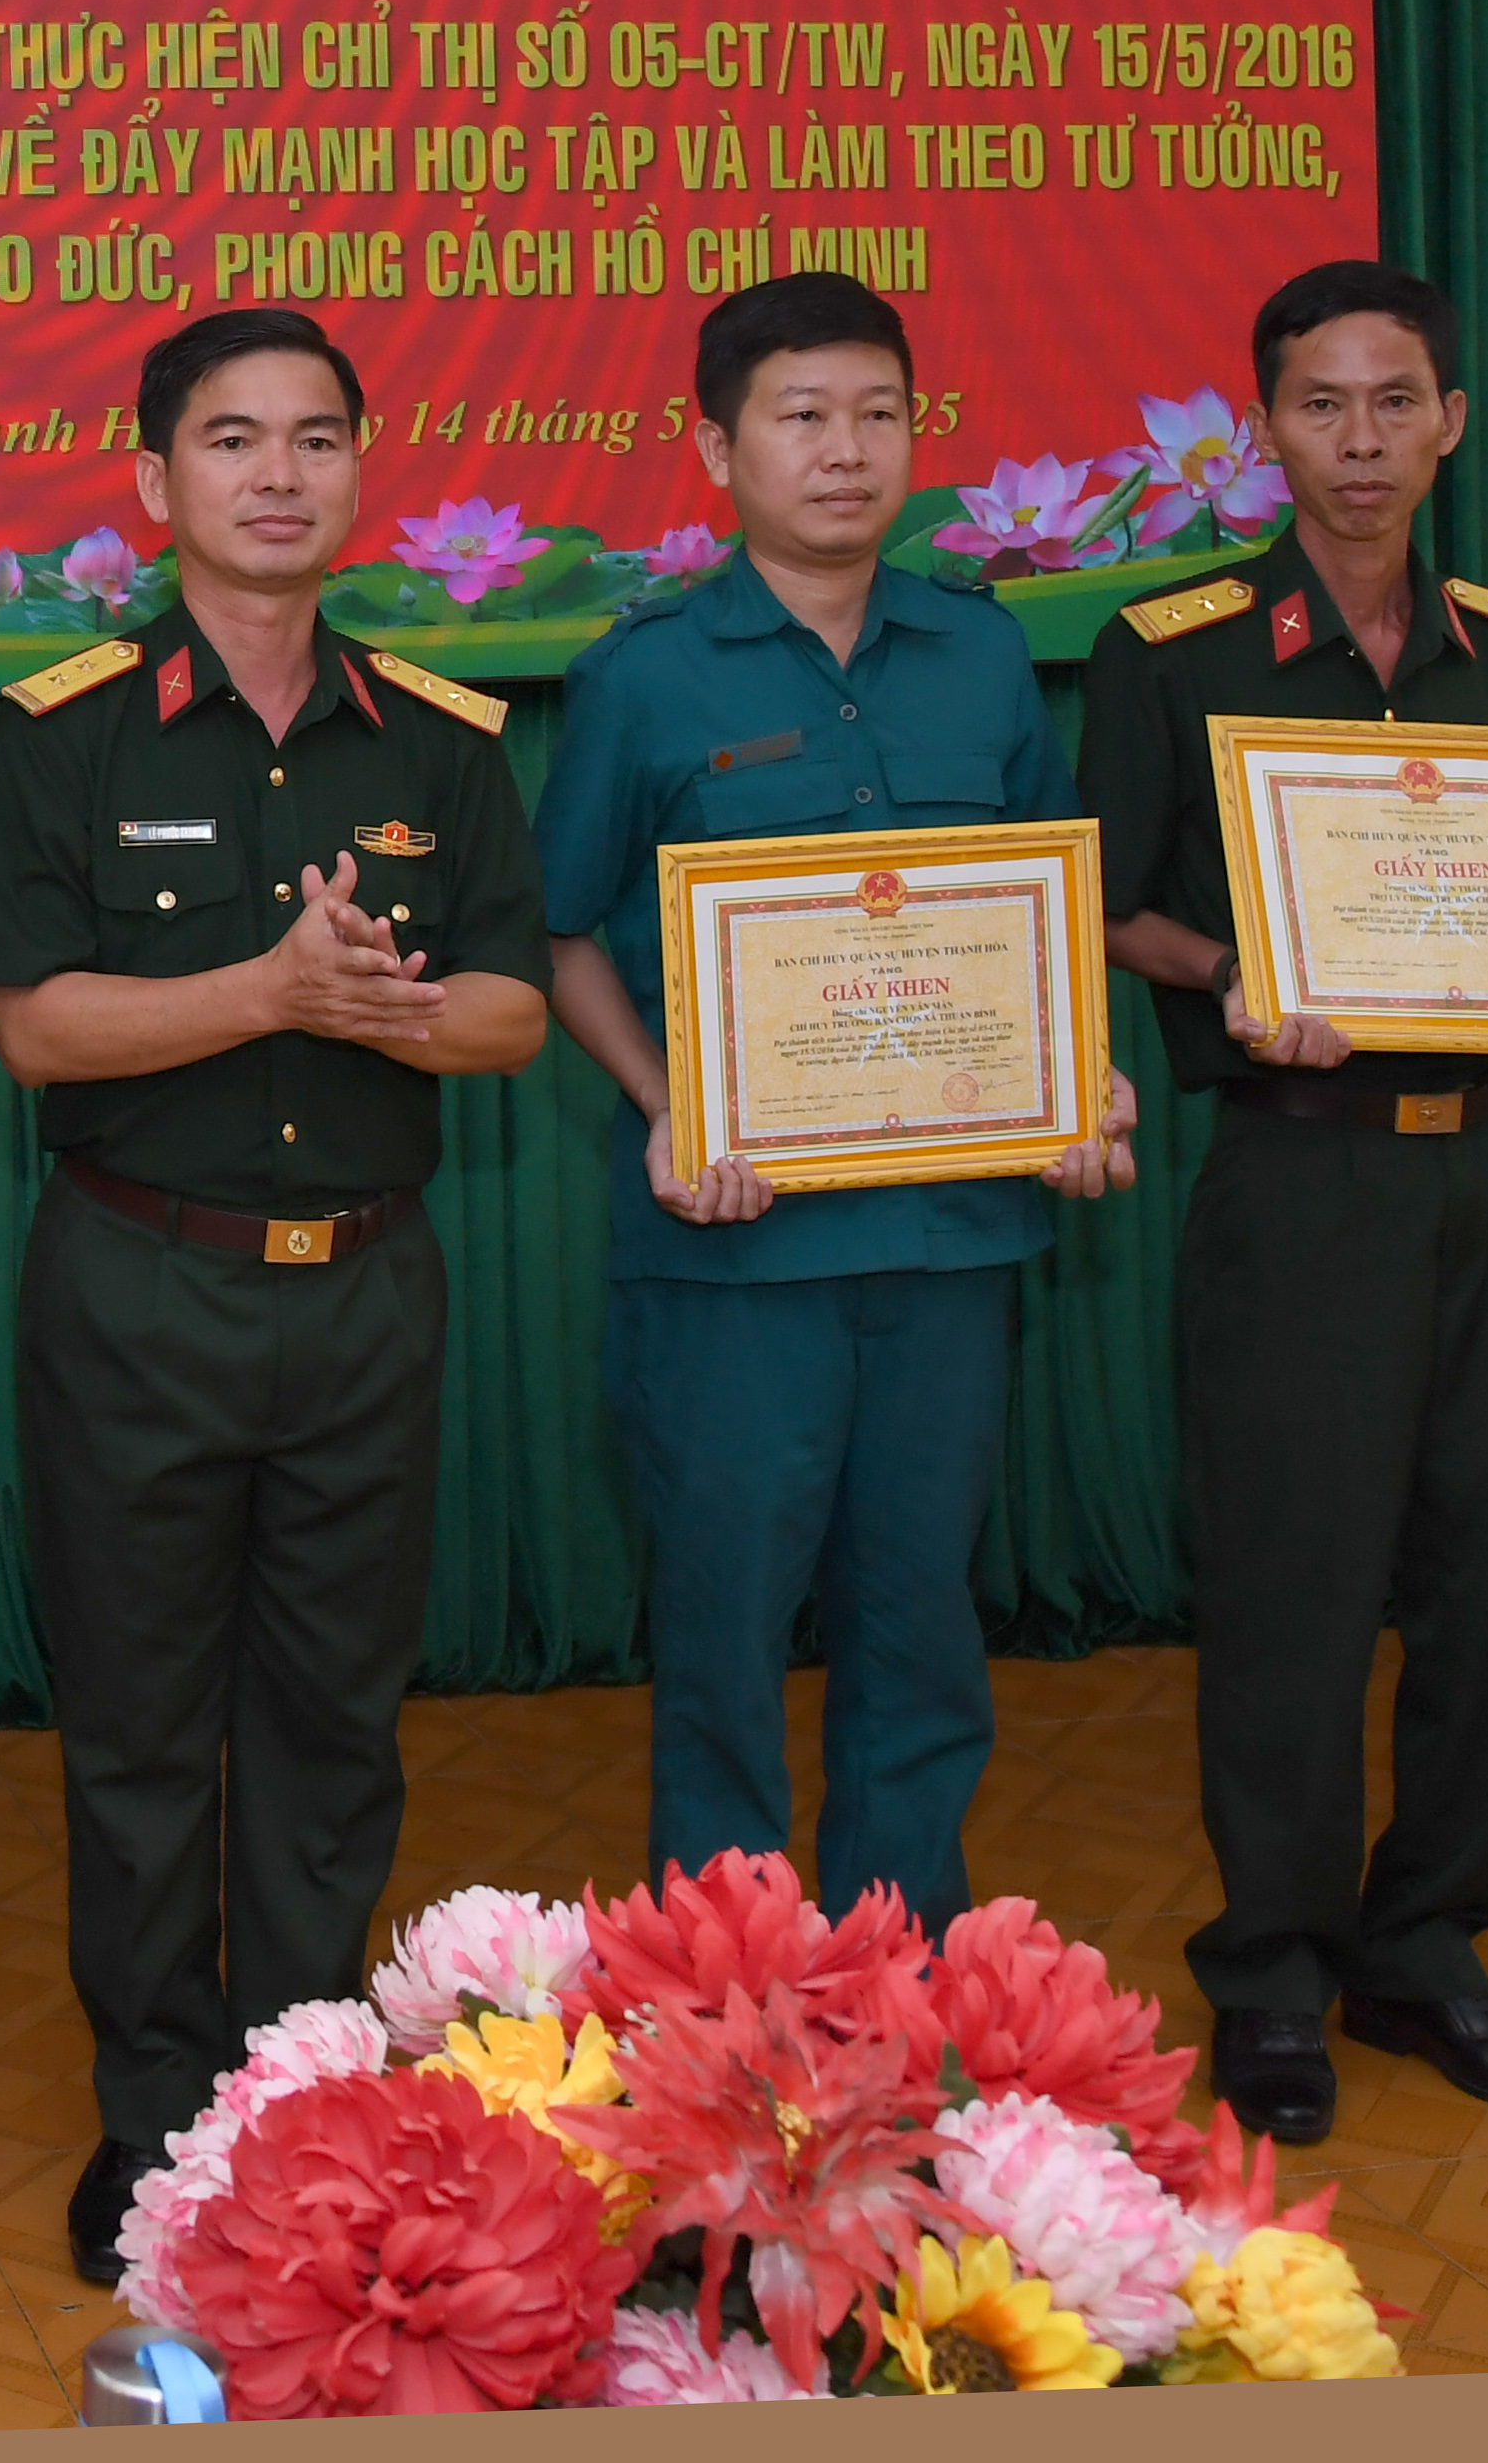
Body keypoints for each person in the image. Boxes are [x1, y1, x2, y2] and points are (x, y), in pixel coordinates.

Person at [0, 305, 552, 2288]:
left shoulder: (443, 739)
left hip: (366, 1294)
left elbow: (512, 1008)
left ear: (360, 472)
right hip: (140, 1285)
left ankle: (297, 2099)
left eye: (314, 436)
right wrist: (272, 990)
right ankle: (155, 2122)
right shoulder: (65, 730)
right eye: (231, 438)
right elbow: (37, 1027)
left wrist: (388, 1008)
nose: (277, 471)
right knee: (139, 1734)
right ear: (155, 480)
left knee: (329, 1726)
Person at [1082, 257, 1488, 2144]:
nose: (1360, 441)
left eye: (1394, 401)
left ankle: (1426, 1943)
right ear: (1265, 426)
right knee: (1293, 1581)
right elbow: (1106, 902)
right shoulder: (1172, 645)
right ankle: (1270, 1968)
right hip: (1301, 1173)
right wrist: (1228, 976)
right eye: (1320, 404)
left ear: (1452, 421)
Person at [533, 271, 1139, 1946]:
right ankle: (715, 1997)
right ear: (714, 446)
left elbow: (1043, 904)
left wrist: (1074, 1074)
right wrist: (665, 1101)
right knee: (724, 1643)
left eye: (878, 413)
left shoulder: (983, 652)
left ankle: (907, 1977)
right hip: (733, 1261)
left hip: (948, 1245)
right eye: (800, 415)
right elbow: (557, 930)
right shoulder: (646, 675)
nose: (845, 449)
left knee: (919, 1636)